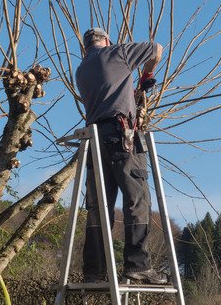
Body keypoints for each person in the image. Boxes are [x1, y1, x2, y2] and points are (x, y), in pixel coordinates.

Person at [75, 27, 167, 284]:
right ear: (106, 41)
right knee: (137, 199)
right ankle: (138, 265)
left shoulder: (81, 70)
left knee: (98, 207)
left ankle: (94, 271)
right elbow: (157, 49)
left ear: (85, 47)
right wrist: (147, 75)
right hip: (121, 136)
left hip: (95, 140)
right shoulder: (117, 53)